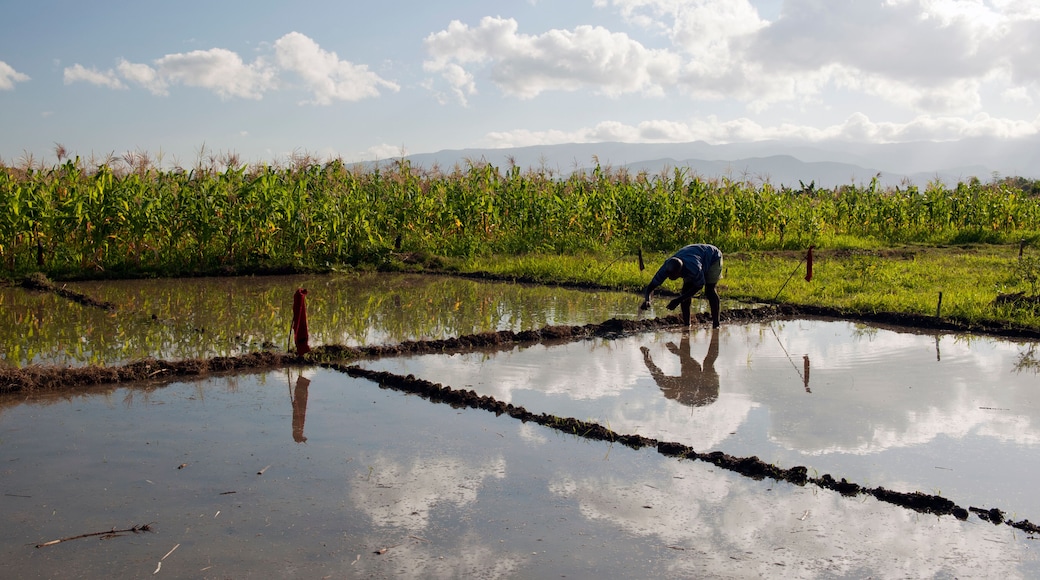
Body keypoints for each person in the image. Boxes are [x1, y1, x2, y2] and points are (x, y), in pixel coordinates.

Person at [640, 243, 722, 327]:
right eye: (669, 275)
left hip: (712, 257)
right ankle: (687, 324)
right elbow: (652, 285)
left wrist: (678, 300)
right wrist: (647, 299)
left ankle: (716, 324)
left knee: (710, 290)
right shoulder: (666, 268)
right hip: (692, 255)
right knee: (685, 291)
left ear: (680, 272)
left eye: (673, 275)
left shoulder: (694, 268)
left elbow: (699, 286)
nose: (670, 277)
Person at [640, 328, 720, 407]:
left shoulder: (663, 383)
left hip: (701, 391)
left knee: (688, 365)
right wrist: (677, 351)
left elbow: (653, 370)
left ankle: (711, 333)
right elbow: (696, 366)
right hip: (710, 391)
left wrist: (646, 356)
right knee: (707, 364)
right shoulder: (688, 386)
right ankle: (715, 334)